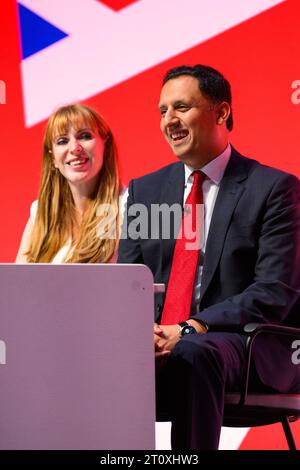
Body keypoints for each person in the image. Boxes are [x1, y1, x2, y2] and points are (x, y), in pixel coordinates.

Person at [118, 65, 300, 449]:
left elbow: (274, 291)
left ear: (221, 112)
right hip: (165, 340)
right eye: (162, 111)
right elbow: (128, 284)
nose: (169, 120)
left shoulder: (274, 189)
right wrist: (146, 333)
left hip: (243, 344)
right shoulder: (145, 190)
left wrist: (190, 327)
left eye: (181, 107)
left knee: (193, 349)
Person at [16, 103, 122, 264]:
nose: (74, 148)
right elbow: (16, 284)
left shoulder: (128, 207)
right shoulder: (40, 214)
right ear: (52, 158)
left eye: (84, 136)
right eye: (62, 141)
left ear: (105, 145)